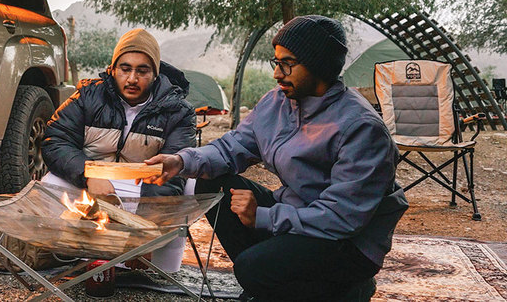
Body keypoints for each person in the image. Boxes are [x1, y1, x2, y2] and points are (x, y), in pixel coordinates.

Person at [142, 15, 409, 301]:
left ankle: (343, 289)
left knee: (251, 269)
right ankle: (279, 283)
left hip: (348, 241)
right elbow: (231, 148)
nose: (277, 74)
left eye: (287, 64)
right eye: (276, 62)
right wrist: (180, 162)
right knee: (212, 184)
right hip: (299, 213)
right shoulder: (277, 102)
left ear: (318, 64)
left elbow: (341, 218)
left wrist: (264, 217)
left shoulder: (361, 128)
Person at [41, 28, 196, 272]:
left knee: (190, 184)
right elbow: (55, 140)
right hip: (92, 184)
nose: (132, 79)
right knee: (50, 182)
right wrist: (89, 174)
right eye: (125, 69)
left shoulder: (178, 110)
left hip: (143, 190)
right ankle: (66, 253)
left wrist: (146, 232)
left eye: (142, 71)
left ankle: (156, 260)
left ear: (155, 74)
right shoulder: (88, 95)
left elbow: (172, 171)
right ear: (113, 69)